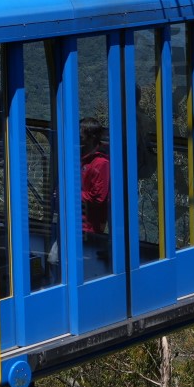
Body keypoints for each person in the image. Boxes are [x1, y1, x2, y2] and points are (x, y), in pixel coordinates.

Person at [80, 118, 112, 277]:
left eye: (80, 136)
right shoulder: (82, 157)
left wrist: (71, 195)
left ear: (91, 137)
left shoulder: (101, 163)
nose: (77, 139)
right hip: (77, 219)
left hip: (89, 224)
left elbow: (98, 197)